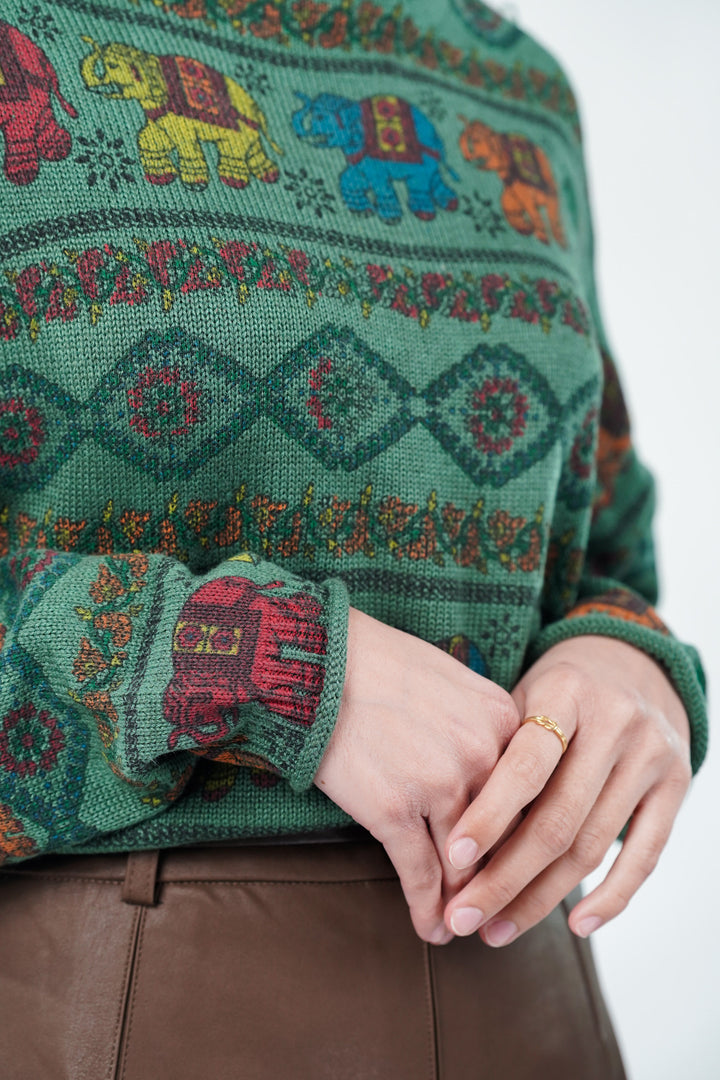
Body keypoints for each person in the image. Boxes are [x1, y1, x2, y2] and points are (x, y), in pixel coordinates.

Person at [0, 1, 706, 1077]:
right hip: (132, 985)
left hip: (531, 988)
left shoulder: (515, 86)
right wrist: (261, 662)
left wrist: (624, 660)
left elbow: (607, 538)